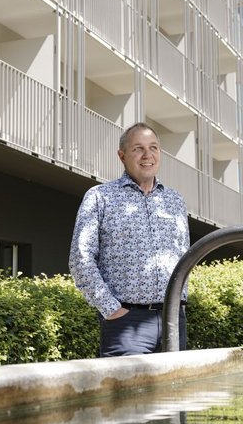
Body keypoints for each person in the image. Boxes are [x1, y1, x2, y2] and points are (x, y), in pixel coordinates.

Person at [68, 122, 190, 357]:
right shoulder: (99, 197)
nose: (148, 155)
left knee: (173, 392)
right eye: (138, 149)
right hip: (126, 323)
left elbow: (182, 255)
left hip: (174, 320)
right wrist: (111, 309)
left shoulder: (175, 201)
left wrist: (179, 305)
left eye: (153, 148)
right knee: (130, 394)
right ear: (122, 156)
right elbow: (80, 258)